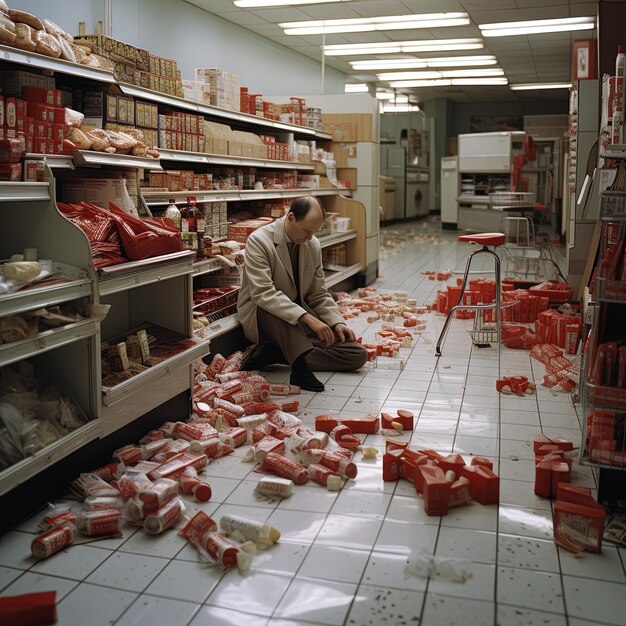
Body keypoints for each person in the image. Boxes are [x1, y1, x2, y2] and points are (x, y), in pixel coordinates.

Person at [237, 196, 368, 392]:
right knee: (277, 312)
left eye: (314, 232)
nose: (309, 238)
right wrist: (306, 318)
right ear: (290, 218)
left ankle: (277, 354)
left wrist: (336, 321)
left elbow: (318, 293)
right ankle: (298, 368)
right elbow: (263, 294)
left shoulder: (312, 244)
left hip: (299, 321)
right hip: (267, 316)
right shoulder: (259, 241)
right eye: (306, 230)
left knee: (356, 354)